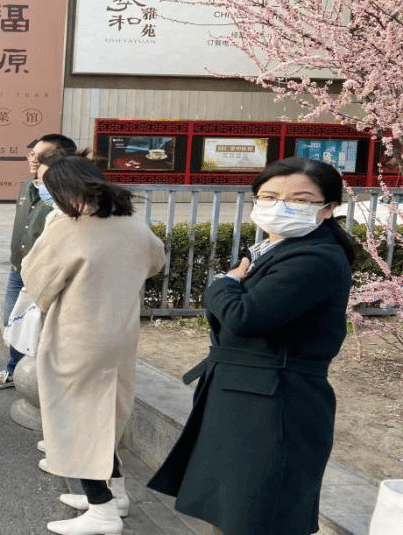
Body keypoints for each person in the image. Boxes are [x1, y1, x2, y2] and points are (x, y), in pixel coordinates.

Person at [148, 157, 356, 535]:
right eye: (270, 196)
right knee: (236, 508)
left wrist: (222, 284)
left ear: (328, 208)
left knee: (257, 511)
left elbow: (246, 317)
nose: (281, 207)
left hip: (274, 400)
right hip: (249, 394)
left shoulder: (314, 257)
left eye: (300, 200)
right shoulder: (276, 249)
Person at [21, 154, 165, 535]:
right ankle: (116, 494)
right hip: (121, 334)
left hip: (78, 335)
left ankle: (101, 509)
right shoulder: (133, 224)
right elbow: (157, 262)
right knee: (107, 415)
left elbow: (35, 279)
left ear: (66, 191)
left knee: (79, 419)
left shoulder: (70, 228)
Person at [0, 134, 77, 390]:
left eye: (42, 156)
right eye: (32, 154)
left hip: (48, 274)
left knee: (44, 328)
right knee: (14, 322)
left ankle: (43, 380)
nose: (34, 160)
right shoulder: (27, 185)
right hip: (19, 269)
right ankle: (16, 371)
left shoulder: (69, 193)